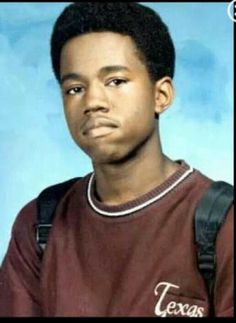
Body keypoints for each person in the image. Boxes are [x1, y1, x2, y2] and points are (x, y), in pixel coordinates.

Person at [0, 2, 233, 317]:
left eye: (116, 81)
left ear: (160, 95)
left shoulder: (221, 226)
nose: (93, 102)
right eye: (75, 88)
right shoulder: (39, 224)